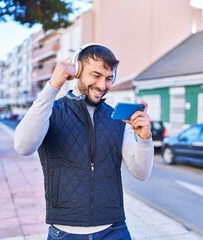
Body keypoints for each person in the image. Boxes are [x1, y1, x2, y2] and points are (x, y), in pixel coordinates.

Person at [14, 43, 154, 240]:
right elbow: (22, 146)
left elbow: (141, 173)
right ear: (77, 70)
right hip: (65, 233)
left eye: (108, 79)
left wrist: (145, 139)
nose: (102, 85)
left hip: (114, 230)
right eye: (95, 76)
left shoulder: (117, 118)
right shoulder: (50, 112)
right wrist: (52, 86)